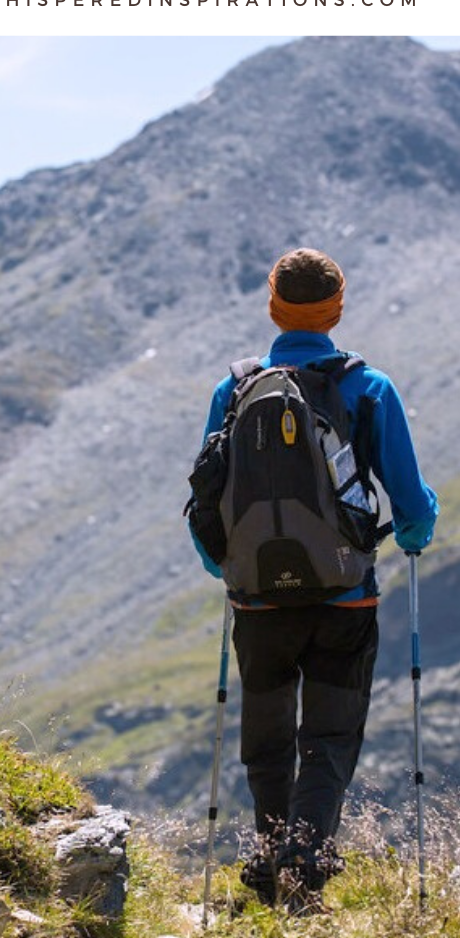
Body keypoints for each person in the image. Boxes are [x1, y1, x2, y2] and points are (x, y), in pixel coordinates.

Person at [192, 247, 438, 915]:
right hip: (343, 594)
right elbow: (410, 506)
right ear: (335, 309)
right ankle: (305, 863)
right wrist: (415, 533)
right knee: (328, 737)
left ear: (272, 305)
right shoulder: (367, 387)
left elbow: (205, 496)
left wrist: (224, 564)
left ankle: (272, 859)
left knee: (266, 736)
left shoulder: (235, 388)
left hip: (256, 599)